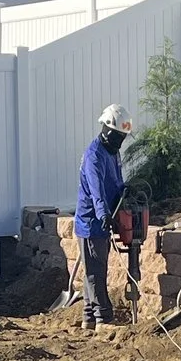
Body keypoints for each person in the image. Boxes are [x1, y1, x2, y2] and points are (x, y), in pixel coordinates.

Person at [72, 105, 131, 332]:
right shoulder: (94, 156)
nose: (120, 142)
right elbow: (97, 190)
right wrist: (104, 214)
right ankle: (103, 319)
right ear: (107, 130)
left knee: (95, 269)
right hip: (91, 221)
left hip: (104, 218)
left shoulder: (112, 152)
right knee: (95, 272)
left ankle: (89, 319)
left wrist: (125, 191)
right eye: (118, 136)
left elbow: (116, 181)